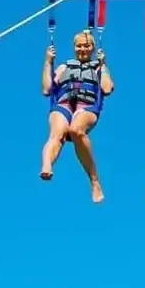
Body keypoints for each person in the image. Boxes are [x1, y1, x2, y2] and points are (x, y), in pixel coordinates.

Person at [40, 30, 114, 202]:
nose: (82, 49)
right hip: (63, 104)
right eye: (79, 45)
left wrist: (103, 65)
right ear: (74, 47)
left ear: (93, 48)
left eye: (86, 45)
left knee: (76, 130)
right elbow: (46, 89)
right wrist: (48, 62)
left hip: (86, 106)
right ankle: (47, 165)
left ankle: (94, 181)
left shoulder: (97, 67)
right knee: (56, 135)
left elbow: (107, 88)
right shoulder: (64, 67)